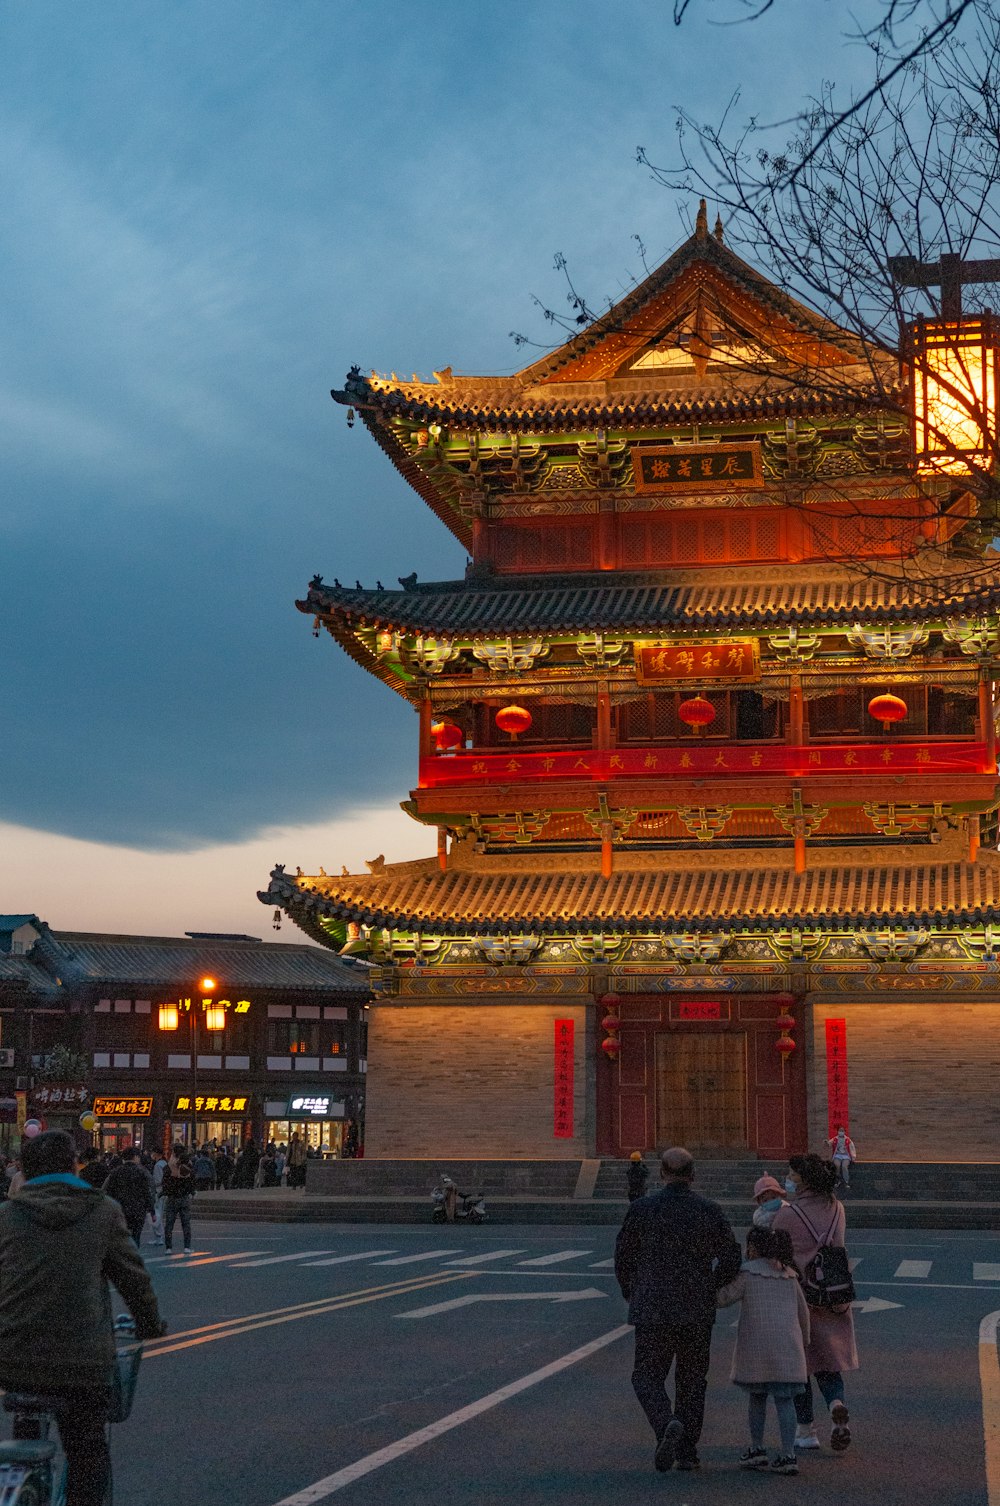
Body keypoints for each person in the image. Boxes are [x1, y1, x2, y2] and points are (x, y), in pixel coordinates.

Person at [0, 1129, 164, 1506]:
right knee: (87, 1451)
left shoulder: (7, 1215)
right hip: (82, 1360)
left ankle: (20, 1479)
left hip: (14, 1356)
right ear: (74, 1165)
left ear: (25, 1171)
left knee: (28, 1409)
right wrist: (150, 1324)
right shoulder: (102, 1211)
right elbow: (133, 1280)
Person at [615, 1146, 742, 1473]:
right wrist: (709, 1285)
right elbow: (731, 1258)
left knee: (646, 1375)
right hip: (695, 1309)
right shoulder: (709, 1210)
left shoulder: (642, 1209)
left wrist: (632, 1291)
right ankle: (687, 1452)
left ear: (661, 1173)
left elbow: (624, 1256)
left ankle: (665, 1422)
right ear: (693, 1175)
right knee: (692, 1379)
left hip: (653, 1306)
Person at [773, 1154, 857, 1453]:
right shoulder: (838, 1209)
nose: (789, 1179)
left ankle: (806, 1430)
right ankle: (836, 1404)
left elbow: (778, 1257)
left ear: (803, 1179)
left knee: (801, 1366)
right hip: (834, 1293)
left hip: (799, 1297)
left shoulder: (787, 1215)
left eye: (792, 1175)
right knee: (829, 1361)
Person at [716, 1226, 811, 1476]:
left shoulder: (747, 1273)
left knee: (756, 1398)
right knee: (785, 1400)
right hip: (787, 1347)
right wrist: (805, 1341)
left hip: (756, 1347)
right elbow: (803, 1314)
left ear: (754, 1248)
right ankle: (788, 1453)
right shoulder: (790, 1276)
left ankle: (757, 1448)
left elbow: (724, 1298)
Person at [102, 1146, 156, 1247]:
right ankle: (134, 1256)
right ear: (135, 1157)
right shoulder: (142, 1172)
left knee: (120, 1236)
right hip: (138, 1209)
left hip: (120, 1208)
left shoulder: (116, 1172)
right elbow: (147, 1192)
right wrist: (152, 1210)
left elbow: (108, 1191)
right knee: (136, 1235)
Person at [161, 1144, 195, 1255]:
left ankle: (168, 1247)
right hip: (184, 1197)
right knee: (186, 1223)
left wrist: (166, 1191)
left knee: (169, 1224)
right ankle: (186, 1247)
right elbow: (192, 1181)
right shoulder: (188, 1166)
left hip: (172, 1197)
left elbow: (165, 1182)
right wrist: (191, 1191)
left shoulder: (169, 1166)